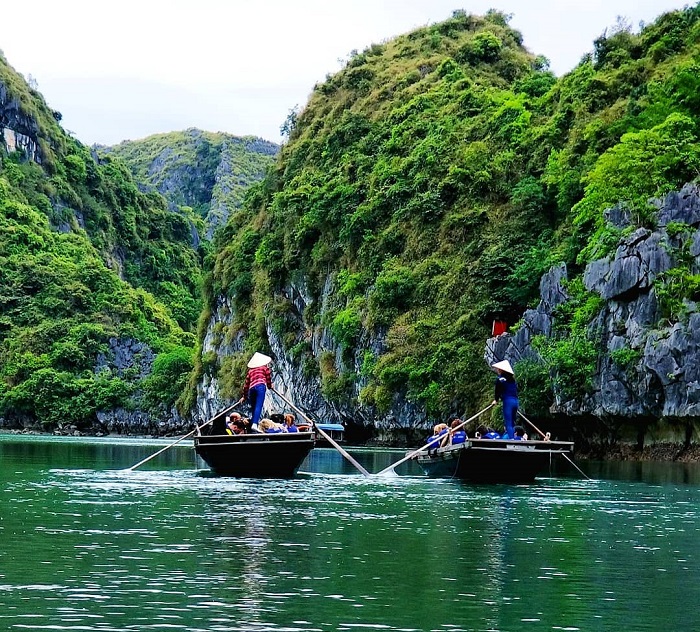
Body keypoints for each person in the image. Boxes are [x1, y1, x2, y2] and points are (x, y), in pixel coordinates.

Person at [239, 352, 272, 433]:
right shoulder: (264, 368)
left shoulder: (250, 371)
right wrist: (270, 386)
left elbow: (246, 385)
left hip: (251, 389)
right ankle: (254, 424)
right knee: (259, 406)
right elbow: (268, 379)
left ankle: (252, 427)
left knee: (254, 408)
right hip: (260, 386)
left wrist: (244, 396)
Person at [491, 359, 518, 439]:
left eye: (498, 369)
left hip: (508, 401)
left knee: (508, 423)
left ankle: (512, 440)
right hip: (515, 401)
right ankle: (514, 438)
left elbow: (497, 391)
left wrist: (496, 400)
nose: (497, 370)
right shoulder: (512, 380)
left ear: (502, 369)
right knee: (513, 422)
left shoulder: (500, 379)